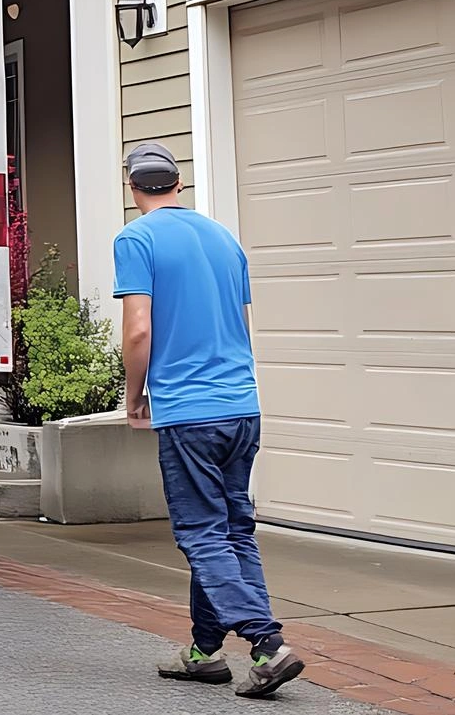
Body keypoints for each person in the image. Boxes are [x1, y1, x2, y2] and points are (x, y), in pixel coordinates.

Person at [113, 142, 304, 698]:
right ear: (178, 184)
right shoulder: (225, 239)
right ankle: (204, 652)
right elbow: (242, 325)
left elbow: (139, 330)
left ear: (133, 188)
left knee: (201, 533)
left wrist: (135, 395)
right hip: (242, 407)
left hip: (190, 412)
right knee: (230, 529)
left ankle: (267, 646)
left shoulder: (136, 239)